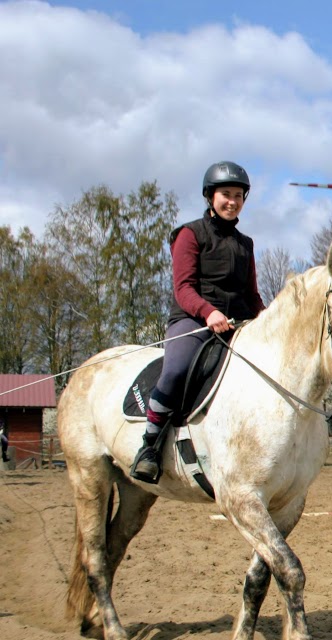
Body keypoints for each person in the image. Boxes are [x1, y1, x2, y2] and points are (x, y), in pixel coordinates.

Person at [131, 161, 265, 483]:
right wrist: (209, 312)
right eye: (225, 194)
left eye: (238, 195)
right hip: (194, 320)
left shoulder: (246, 244)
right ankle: (149, 446)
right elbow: (183, 289)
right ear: (210, 196)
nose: (232, 201)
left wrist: (268, 319)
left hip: (237, 324)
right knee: (176, 369)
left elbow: (252, 294)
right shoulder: (189, 235)